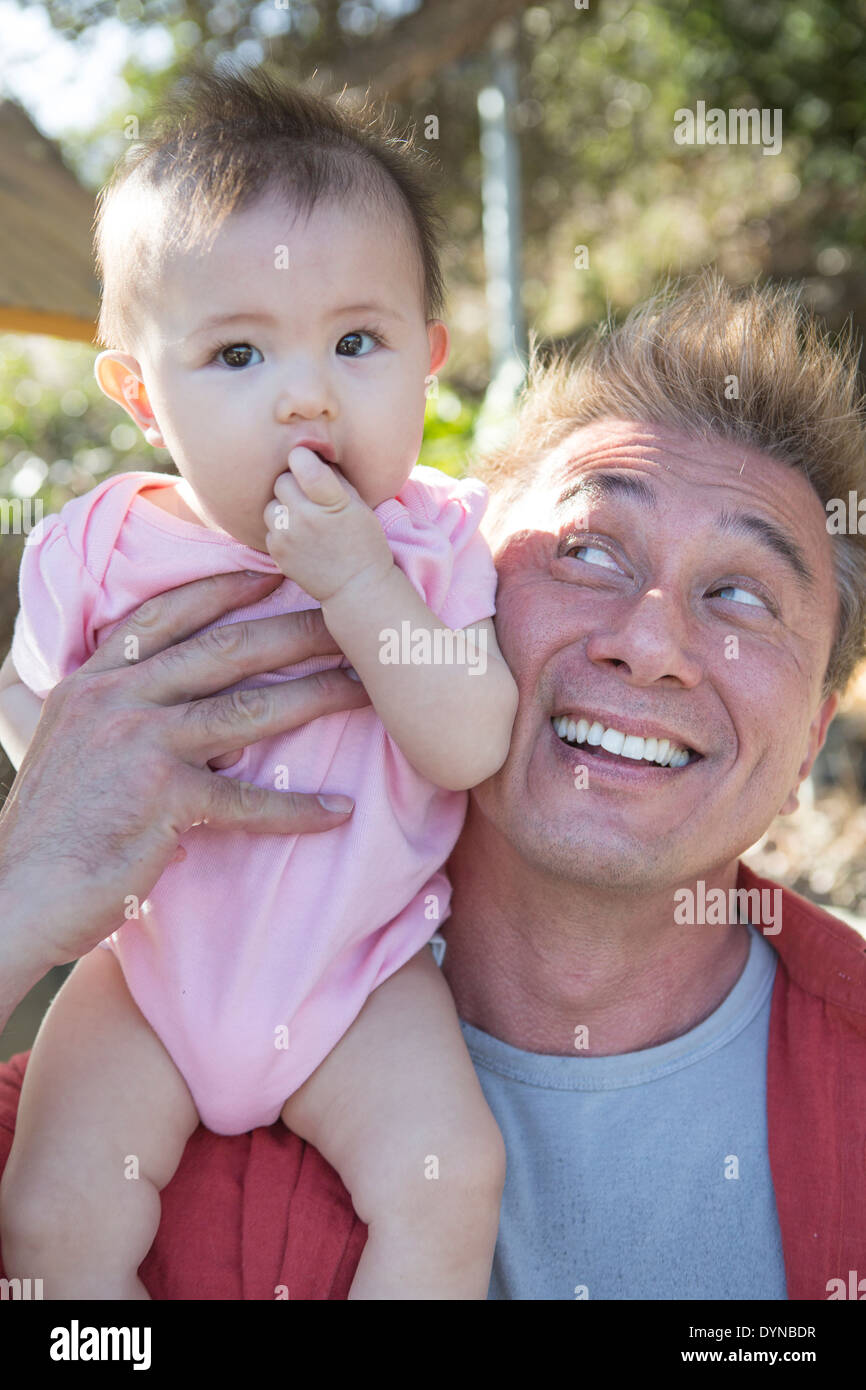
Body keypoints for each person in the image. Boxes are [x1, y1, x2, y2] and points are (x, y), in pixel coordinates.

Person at [3, 272, 866, 1301]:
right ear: (455, 589)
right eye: (586, 551)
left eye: (739, 594)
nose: (648, 645)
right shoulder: (137, 1060)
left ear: (809, 738)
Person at [0, 70, 517, 1301]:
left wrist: (358, 585)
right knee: (52, 1211)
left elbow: (469, 739)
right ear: (138, 392)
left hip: (359, 975)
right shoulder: (103, 545)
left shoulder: (433, 541)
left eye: (356, 341)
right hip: (148, 971)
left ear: (428, 361)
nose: (306, 392)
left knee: (448, 1178)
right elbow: (34, 727)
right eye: (236, 351)